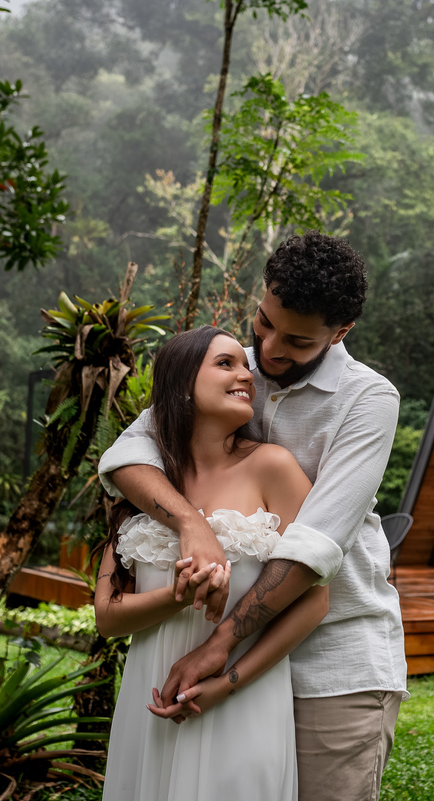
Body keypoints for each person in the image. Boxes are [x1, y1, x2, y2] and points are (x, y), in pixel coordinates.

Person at [99, 232, 407, 801]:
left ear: (340, 333)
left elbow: (312, 549)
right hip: (224, 654)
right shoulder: (232, 369)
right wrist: (191, 523)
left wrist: (219, 650)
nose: (268, 350)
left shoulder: (368, 401)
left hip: (330, 661)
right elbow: (125, 455)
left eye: (296, 340)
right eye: (264, 322)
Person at [95, 325, 325, 801]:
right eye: (226, 364)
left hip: (240, 701)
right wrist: (180, 593)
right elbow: (108, 618)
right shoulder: (145, 485)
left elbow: (316, 600)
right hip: (150, 699)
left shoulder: (272, 467)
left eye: (245, 366)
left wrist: (228, 683)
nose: (246, 375)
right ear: (181, 385)